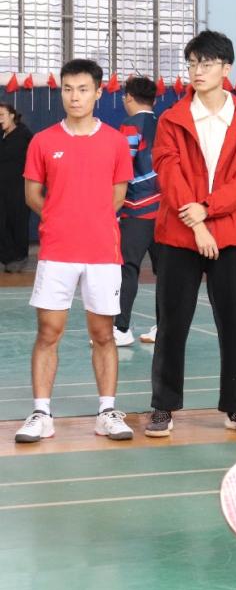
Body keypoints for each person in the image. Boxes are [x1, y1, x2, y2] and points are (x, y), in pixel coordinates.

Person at [145, 30, 236, 438]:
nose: (197, 71)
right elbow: (169, 172)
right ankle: (163, 407)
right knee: (171, 323)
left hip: (229, 234)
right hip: (179, 235)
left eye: (207, 63)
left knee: (233, 325)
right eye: (193, 63)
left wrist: (210, 210)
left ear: (226, 69)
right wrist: (197, 223)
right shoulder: (172, 119)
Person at [16, 59, 135, 443]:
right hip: (57, 251)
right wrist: (60, 217)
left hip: (102, 253)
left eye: (83, 89)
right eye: (67, 89)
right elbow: (32, 194)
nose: (74, 97)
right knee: (48, 332)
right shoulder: (42, 141)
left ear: (98, 92)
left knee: (103, 334)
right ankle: (41, 414)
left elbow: (118, 195)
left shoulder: (115, 142)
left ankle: (106, 412)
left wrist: (91, 220)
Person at [113, 76, 162, 346]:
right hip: (166, 211)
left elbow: (121, 167)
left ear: (129, 97)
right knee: (165, 272)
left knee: (127, 268)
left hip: (137, 209)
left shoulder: (130, 125)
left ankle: (121, 329)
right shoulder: (165, 123)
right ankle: (163, 328)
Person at [0, 102, 33, 273]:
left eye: (1, 115)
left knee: (18, 222)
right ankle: (8, 257)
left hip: (19, 188)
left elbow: (36, 158)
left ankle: (20, 257)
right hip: (2, 188)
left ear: (12, 115)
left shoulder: (24, 134)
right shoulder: (1, 135)